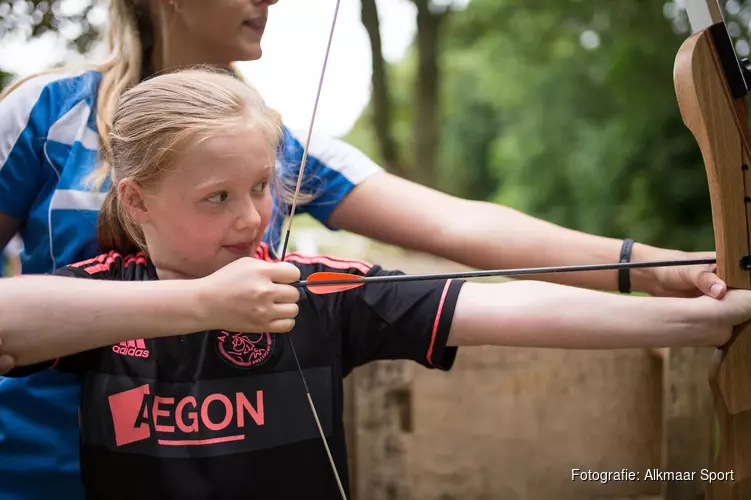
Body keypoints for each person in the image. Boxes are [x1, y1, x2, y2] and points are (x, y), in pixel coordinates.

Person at [0, 1, 723, 499]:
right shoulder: (43, 111)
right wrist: (195, 302)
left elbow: (460, 233)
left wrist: (648, 270)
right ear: (134, 202)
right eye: (215, 196)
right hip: (42, 473)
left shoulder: (270, 134)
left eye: (261, 188)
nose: (251, 216)